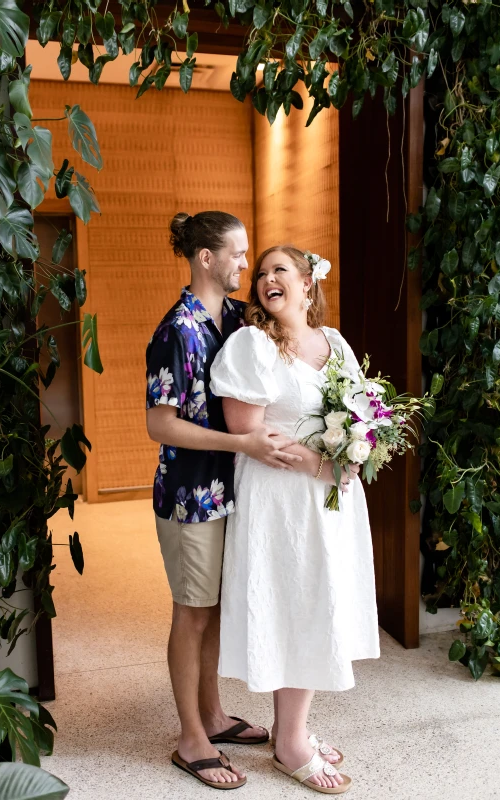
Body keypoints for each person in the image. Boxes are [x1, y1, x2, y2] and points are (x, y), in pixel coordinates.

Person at [210, 245, 380, 795]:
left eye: (278, 270)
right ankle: (291, 746)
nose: (264, 280)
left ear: (308, 282)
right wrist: (320, 462)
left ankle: (292, 730)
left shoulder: (335, 343)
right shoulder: (252, 344)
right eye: (259, 274)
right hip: (281, 501)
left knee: (318, 606)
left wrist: (357, 452)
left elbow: (365, 414)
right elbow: (251, 433)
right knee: (294, 608)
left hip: (330, 500)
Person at [146, 214, 303, 790]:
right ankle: (191, 739)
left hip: (235, 491)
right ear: (206, 258)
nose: (246, 265)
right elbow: (159, 425)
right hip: (190, 495)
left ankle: (213, 715)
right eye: (238, 255)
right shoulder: (177, 330)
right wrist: (243, 443)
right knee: (192, 613)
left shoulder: (237, 319)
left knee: (212, 607)